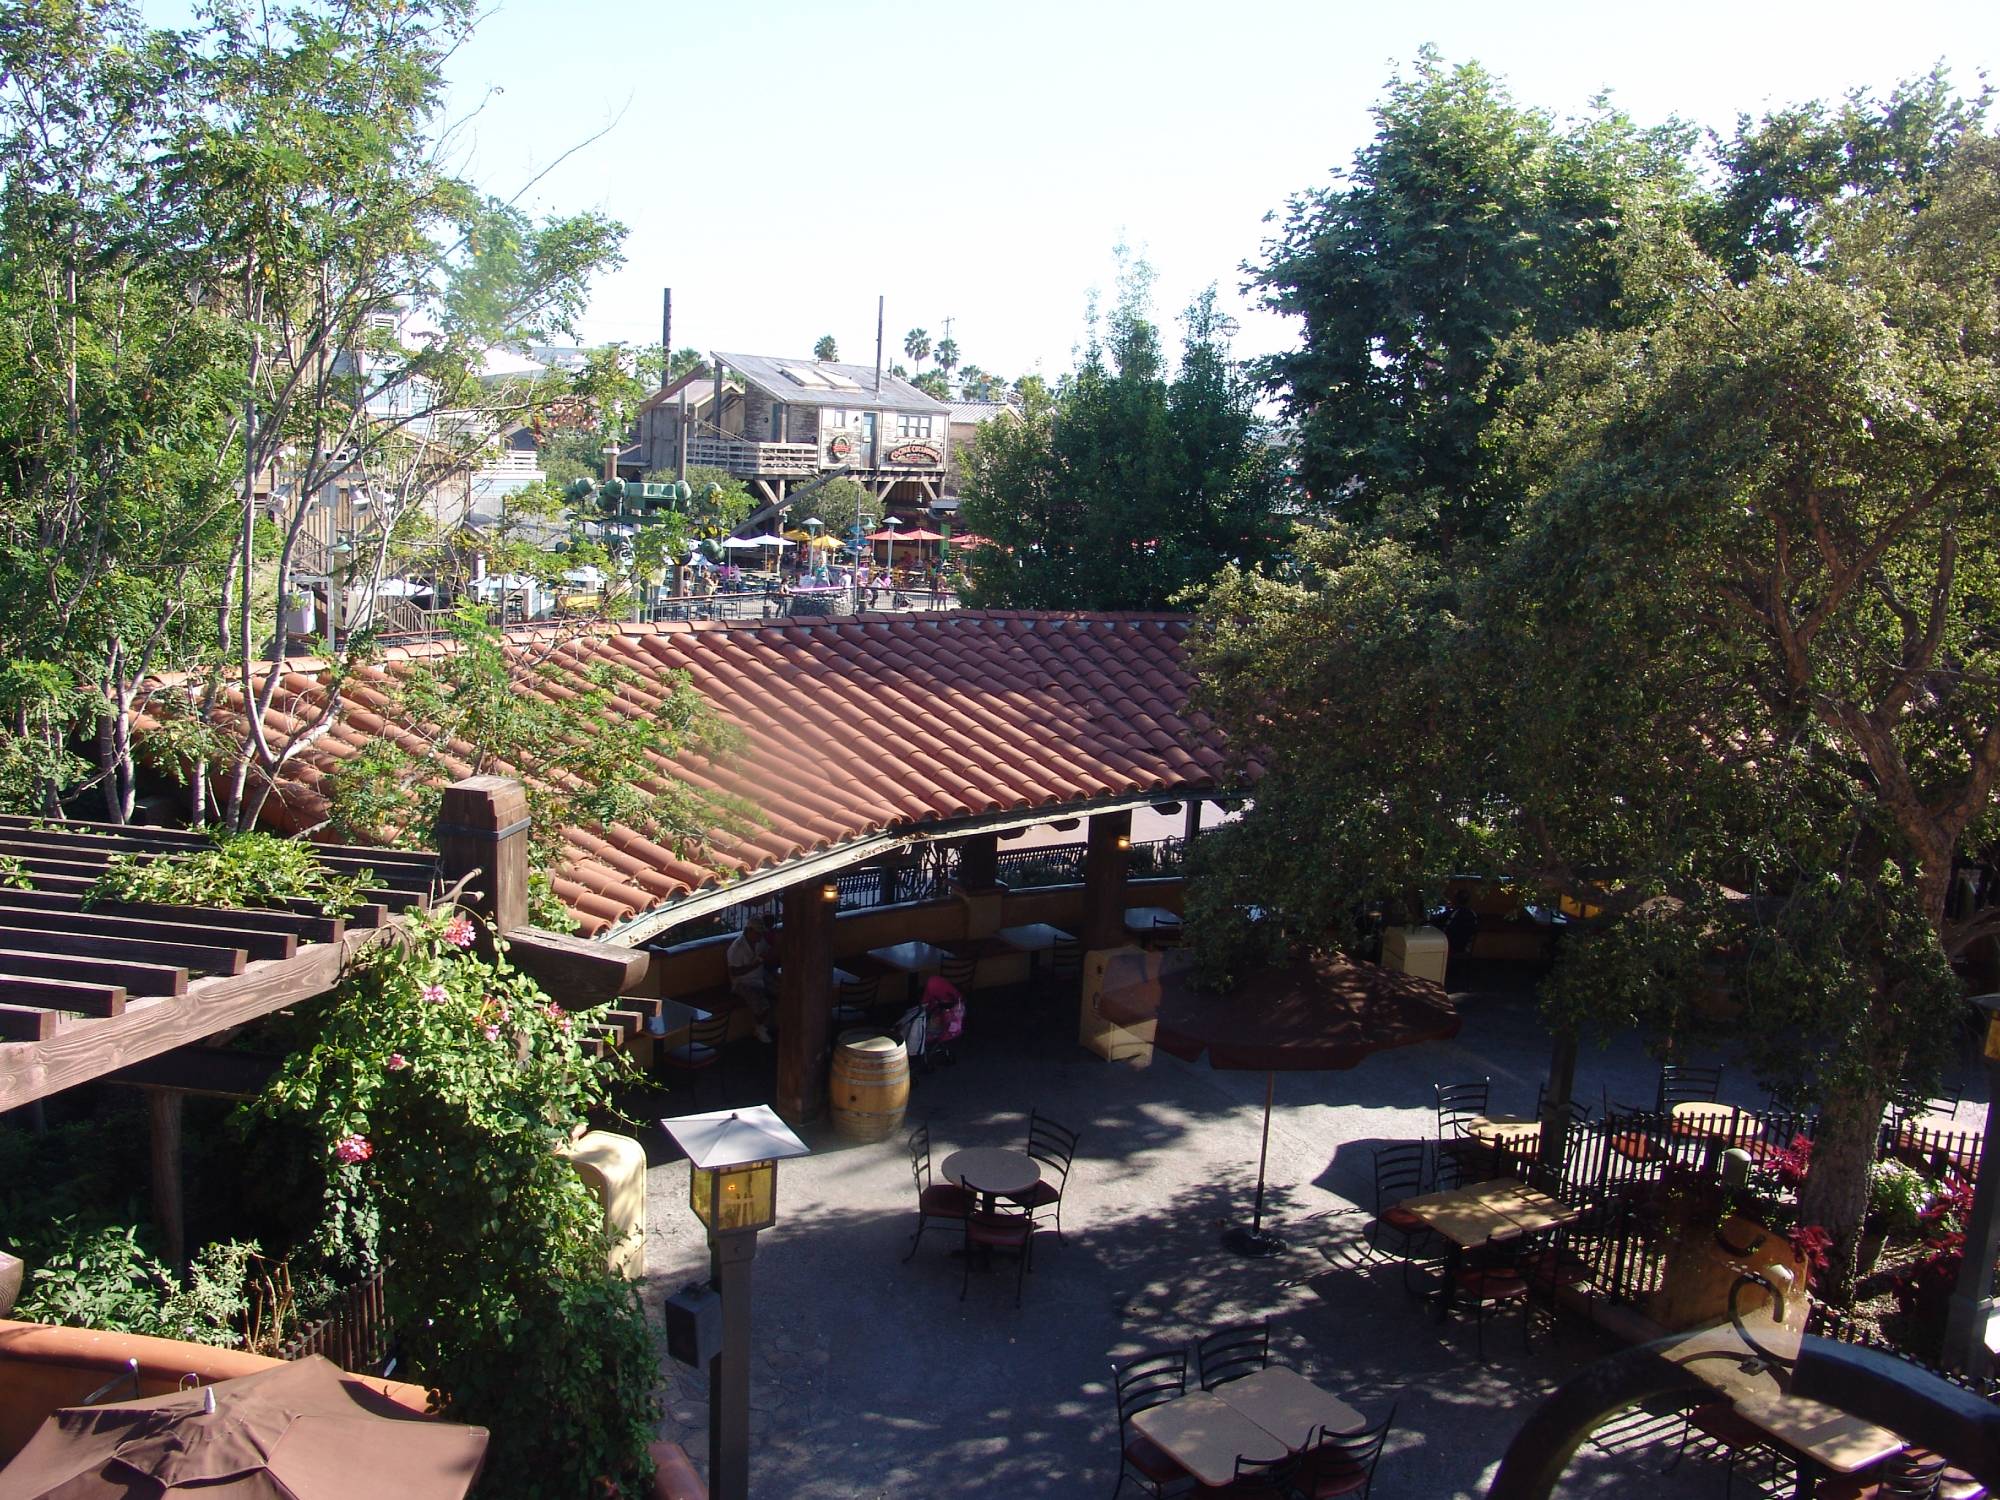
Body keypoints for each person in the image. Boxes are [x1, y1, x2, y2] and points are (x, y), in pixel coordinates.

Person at [726, 915, 776, 1042]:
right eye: (758, 933)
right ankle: (759, 1028)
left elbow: (768, 951)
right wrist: (754, 965)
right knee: (762, 1004)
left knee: (780, 988)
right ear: (748, 931)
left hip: (760, 976)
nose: (760, 936)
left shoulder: (760, 941)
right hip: (742, 982)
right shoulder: (736, 948)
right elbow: (734, 972)